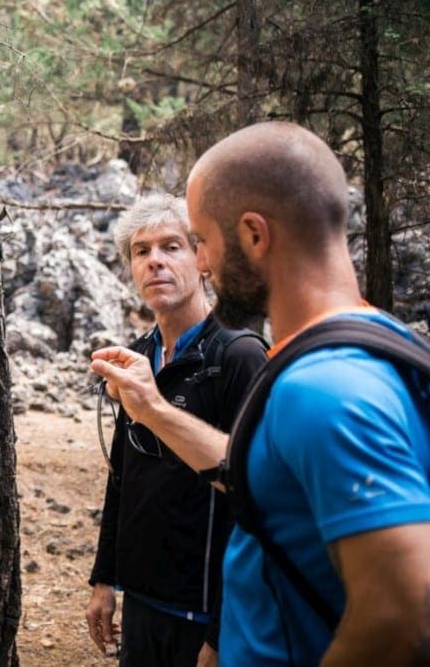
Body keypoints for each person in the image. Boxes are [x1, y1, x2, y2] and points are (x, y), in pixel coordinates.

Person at [90, 121, 430, 664]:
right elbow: (259, 480)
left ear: (253, 235)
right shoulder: (373, 342)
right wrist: (152, 409)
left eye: (199, 241)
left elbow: (403, 610)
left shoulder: (326, 387)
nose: (198, 264)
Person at [86, 194, 267, 666]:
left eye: (172, 247)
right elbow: (122, 475)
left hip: (205, 613)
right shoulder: (136, 356)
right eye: (141, 251)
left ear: (202, 259)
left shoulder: (237, 356)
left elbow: (253, 503)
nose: (155, 263)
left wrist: (223, 633)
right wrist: (105, 579)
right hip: (143, 603)